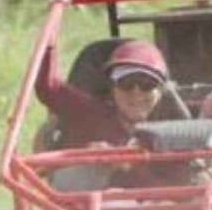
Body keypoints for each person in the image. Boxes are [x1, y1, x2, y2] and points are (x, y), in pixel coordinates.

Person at [34, 38, 180, 192]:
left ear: (161, 91)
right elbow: (47, 87)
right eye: (126, 83)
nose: (136, 93)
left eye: (147, 84)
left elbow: (179, 190)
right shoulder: (92, 113)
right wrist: (48, 44)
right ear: (112, 88)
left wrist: (126, 166)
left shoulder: (172, 133)